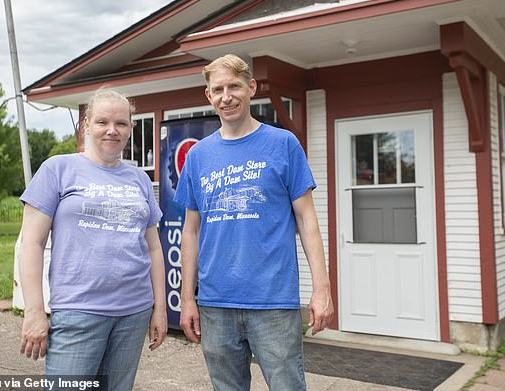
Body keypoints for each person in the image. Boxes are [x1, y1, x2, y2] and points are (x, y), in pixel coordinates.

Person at [174, 54, 334, 390]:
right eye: (217, 89)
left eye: (234, 86)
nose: (226, 96)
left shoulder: (283, 144)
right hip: (216, 304)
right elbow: (190, 232)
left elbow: (307, 220)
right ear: (208, 95)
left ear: (252, 88)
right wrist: (187, 297)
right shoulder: (199, 156)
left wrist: (322, 288)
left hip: (273, 302)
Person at [18, 88, 167, 391]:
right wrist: (34, 311)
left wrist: (160, 308)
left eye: (121, 123)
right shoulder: (57, 169)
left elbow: (153, 247)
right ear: (86, 124)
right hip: (77, 311)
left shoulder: (139, 179)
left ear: (131, 128)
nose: (112, 130)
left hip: (133, 313)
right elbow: (30, 243)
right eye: (102, 122)